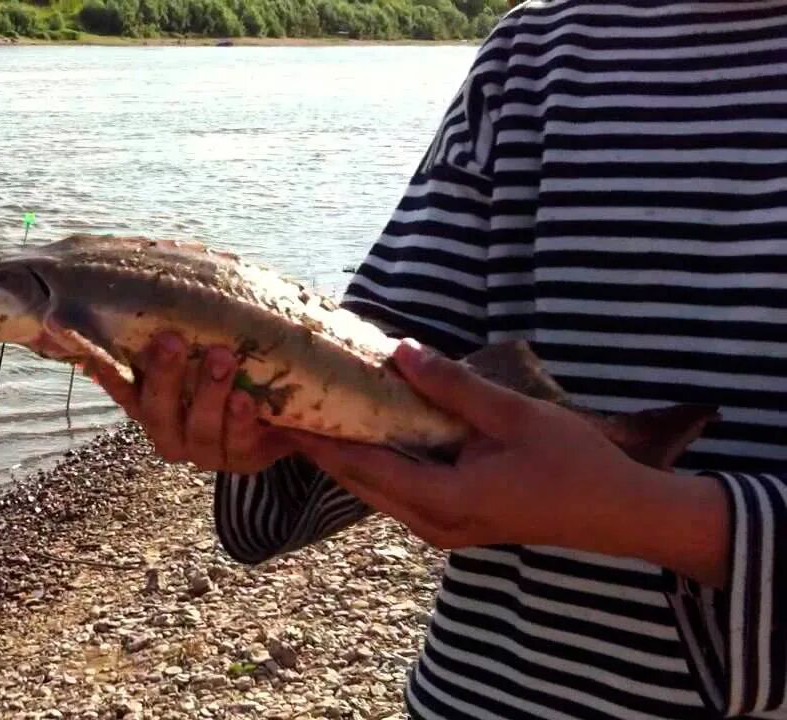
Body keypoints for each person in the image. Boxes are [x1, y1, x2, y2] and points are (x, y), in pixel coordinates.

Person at [86, 0, 787, 717]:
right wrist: (260, 424)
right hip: (487, 693)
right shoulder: (536, 52)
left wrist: (663, 520)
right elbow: (397, 359)